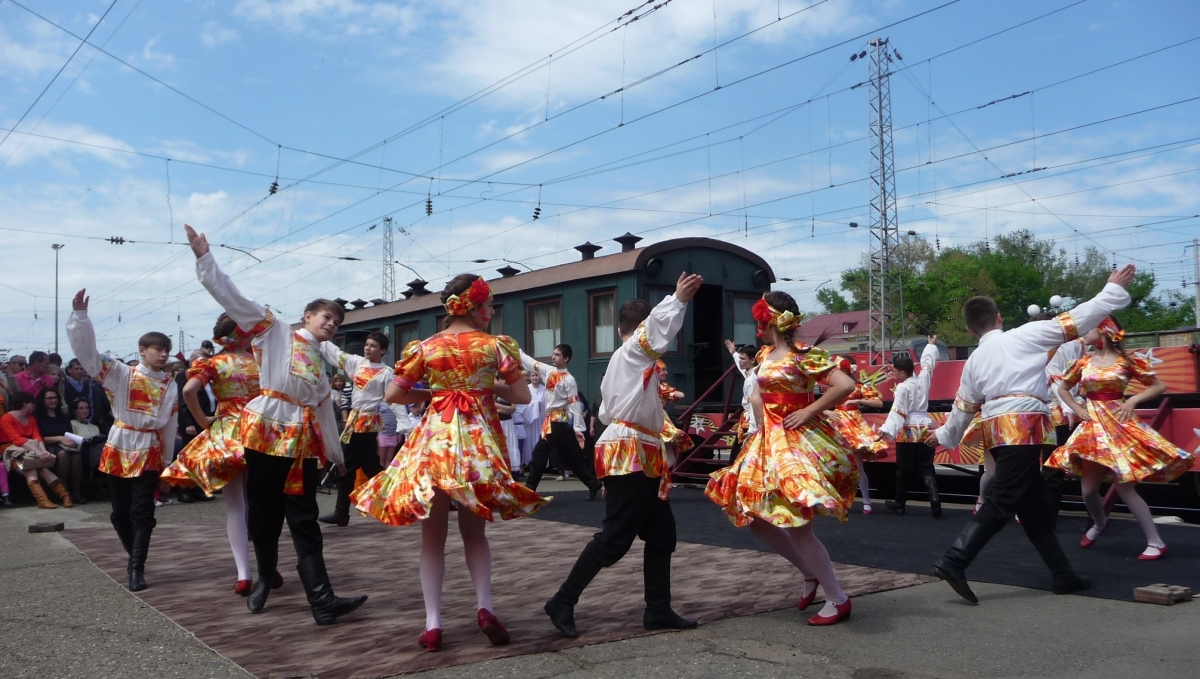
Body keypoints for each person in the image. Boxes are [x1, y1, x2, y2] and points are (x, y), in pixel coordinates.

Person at [352, 273, 547, 652]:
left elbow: (394, 394)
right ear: (472, 307)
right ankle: (485, 608)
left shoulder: (425, 347)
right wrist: (483, 384)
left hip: (435, 444)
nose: (491, 311)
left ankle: (433, 623)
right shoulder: (495, 347)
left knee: (432, 537)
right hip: (477, 446)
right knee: (475, 533)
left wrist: (439, 389)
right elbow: (522, 396)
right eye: (488, 304)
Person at [186, 225, 366, 624]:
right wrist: (205, 259)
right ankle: (265, 576)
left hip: (300, 440)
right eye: (327, 316)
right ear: (307, 315)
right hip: (267, 429)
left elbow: (324, 412)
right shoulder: (274, 331)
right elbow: (232, 298)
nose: (332, 324)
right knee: (263, 511)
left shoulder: (320, 365)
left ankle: (322, 600)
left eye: (337, 321)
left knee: (303, 515)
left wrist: (336, 457)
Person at [928, 265, 1136, 604]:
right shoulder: (1024, 335)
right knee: (1005, 499)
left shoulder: (975, 360)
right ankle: (954, 561)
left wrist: (944, 436)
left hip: (997, 429)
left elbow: (963, 409)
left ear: (969, 328)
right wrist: (1110, 290)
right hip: (1024, 425)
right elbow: (1077, 320)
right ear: (998, 317)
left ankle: (1063, 575)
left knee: (1034, 507)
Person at [544, 273, 702, 639]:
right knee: (616, 535)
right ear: (643, 330)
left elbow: (603, 414)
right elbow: (656, 332)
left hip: (637, 448)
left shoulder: (624, 362)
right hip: (630, 449)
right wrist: (676, 300)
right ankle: (562, 599)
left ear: (618, 329)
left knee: (662, 535)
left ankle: (657, 609)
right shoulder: (633, 353)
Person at [1045, 316, 1193, 560]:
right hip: (1093, 428)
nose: (1085, 332)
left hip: (1118, 426)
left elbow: (1158, 385)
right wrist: (1077, 408)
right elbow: (1062, 388)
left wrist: (1133, 400)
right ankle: (1100, 523)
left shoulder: (1126, 361)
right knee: (1088, 490)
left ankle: (1155, 541)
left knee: (1124, 487)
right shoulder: (1082, 361)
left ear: (1103, 332)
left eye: (1091, 328)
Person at [68, 290, 177, 591]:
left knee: (142, 512)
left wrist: (167, 466)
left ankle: (135, 569)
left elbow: (170, 426)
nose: (164, 355)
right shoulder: (121, 374)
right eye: (158, 349)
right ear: (142, 350)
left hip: (149, 448)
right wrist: (80, 317)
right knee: (119, 514)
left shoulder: (170, 386)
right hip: (119, 444)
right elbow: (89, 356)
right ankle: (135, 557)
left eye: (166, 350)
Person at [161, 313, 271, 596]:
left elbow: (188, 390)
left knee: (236, 507)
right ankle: (267, 564)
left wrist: (204, 421)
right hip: (262, 431)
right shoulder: (262, 359)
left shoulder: (212, 363)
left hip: (226, 433)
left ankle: (243, 574)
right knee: (262, 503)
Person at [317, 332, 392, 527]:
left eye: (373, 346)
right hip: (355, 421)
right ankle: (395, 501)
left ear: (383, 351)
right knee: (370, 465)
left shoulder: (386, 372)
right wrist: (317, 336)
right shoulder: (357, 363)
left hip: (367, 422)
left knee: (347, 464)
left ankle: (342, 512)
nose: (368, 348)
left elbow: (394, 399)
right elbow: (335, 353)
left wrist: (403, 423)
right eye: (367, 344)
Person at [520, 344, 602, 498]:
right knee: (569, 456)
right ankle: (593, 483)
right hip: (553, 422)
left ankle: (529, 492)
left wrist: (578, 429)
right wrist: (516, 351)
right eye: (553, 354)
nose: (553, 357)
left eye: (557, 355)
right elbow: (531, 362)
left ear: (566, 359)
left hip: (557, 423)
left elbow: (575, 405)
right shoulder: (548, 371)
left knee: (539, 454)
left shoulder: (569, 380)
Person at [878, 338, 941, 517]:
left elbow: (899, 412)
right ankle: (935, 498)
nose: (893, 374)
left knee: (904, 469)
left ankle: (900, 503)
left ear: (903, 373)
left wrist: (885, 429)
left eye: (895, 371)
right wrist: (930, 346)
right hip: (925, 426)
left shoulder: (902, 388)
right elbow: (928, 364)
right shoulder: (923, 379)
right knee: (926, 467)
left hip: (908, 430)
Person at [823, 356, 887, 514]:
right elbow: (818, 405)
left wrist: (858, 402)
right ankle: (837, 500)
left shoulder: (858, 386)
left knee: (858, 467)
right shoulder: (833, 387)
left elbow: (879, 402)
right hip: (837, 423)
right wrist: (829, 411)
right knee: (835, 465)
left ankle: (866, 501)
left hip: (854, 425)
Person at [1, 391, 72, 508]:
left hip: (29, 449)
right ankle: (43, 500)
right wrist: (39, 452)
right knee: (32, 469)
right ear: (24, 404)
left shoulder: (31, 418)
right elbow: (16, 439)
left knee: (43, 468)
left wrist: (44, 452)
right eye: (32, 403)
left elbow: (37, 437)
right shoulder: (6, 418)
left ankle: (65, 496)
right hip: (11, 451)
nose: (34, 405)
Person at [35, 388, 84, 504]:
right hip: (47, 446)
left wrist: (69, 440)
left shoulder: (63, 416)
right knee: (63, 455)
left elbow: (69, 433)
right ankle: (63, 491)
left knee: (76, 455)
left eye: (55, 397)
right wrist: (59, 438)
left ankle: (76, 491)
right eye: (49, 398)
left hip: (65, 444)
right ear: (43, 400)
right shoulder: (38, 417)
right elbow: (39, 438)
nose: (53, 400)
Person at [725, 341, 760, 461]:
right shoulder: (749, 374)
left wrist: (752, 428)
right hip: (748, 419)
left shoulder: (753, 379)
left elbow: (753, 404)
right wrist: (734, 353)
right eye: (739, 358)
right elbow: (742, 368)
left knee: (739, 454)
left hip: (751, 420)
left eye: (743, 359)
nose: (740, 361)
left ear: (752, 360)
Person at [63, 358, 113, 434]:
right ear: (70, 370)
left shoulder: (88, 386)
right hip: (70, 423)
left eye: (81, 369)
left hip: (88, 423)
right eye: (76, 369)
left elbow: (91, 404)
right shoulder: (64, 385)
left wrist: (89, 418)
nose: (79, 371)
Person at [522, 370, 546, 473]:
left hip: (541, 420)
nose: (535, 378)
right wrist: (536, 404)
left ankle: (540, 464)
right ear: (530, 377)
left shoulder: (544, 389)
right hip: (530, 421)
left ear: (539, 377)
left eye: (536, 376)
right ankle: (528, 463)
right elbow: (524, 404)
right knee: (529, 442)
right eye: (533, 376)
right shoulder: (526, 389)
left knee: (539, 441)